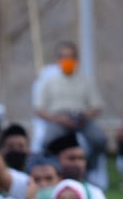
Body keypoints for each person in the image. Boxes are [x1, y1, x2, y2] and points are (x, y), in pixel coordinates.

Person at [35, 41, 108, 171]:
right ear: (58, 60)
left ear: (77, 60)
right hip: (58, 119)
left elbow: (96, 106)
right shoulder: (49, 82)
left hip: (82, 119)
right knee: (47, 141)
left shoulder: (85, 81)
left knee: (99, 139)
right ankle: (55, 169)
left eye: (71, 57)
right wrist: (58, 119)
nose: (67, 60)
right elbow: (39, 109)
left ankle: (87, 168)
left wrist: (85, 117)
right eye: (64, 57)